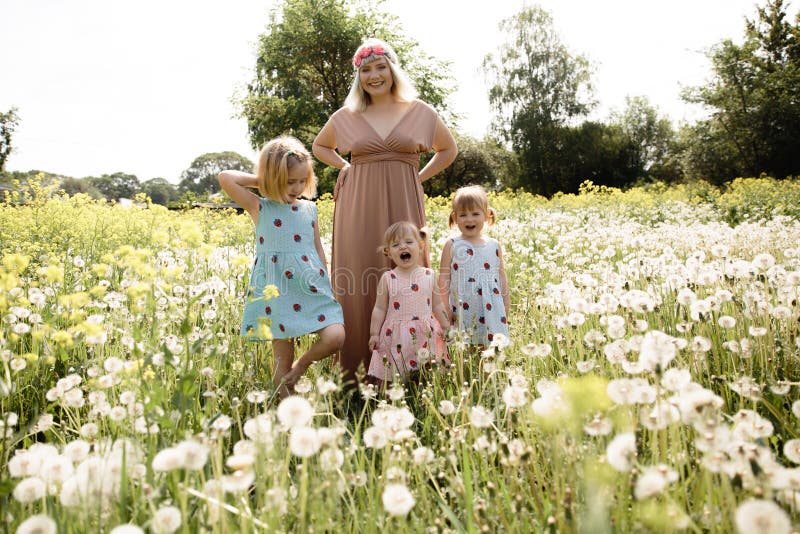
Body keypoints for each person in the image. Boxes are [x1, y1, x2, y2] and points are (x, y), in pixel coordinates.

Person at [313, 38, 457, 382]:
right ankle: (357, 370)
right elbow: (320, 146)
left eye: (380, 68)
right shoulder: (347, 115)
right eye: (366, 70)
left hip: (404, 200)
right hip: (357, 203)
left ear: (392, 70)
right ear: (359, 76)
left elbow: (448, 149)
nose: (374, 76)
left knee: (410, 273)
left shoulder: (420, 110)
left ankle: (413, 366)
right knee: (359, 273)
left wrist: (416, 177)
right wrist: (345, 168)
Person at [218, 136, 345, 396]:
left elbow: (317, 247)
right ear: (274, 179)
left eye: (302, 181)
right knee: (281, 358)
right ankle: (286, 414)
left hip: (311, 285)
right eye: (289, 182)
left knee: (335, 337)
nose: (297, 187)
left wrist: (325, 279)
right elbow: (225, 177)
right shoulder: (260, 207)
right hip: (277, 291)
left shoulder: (309, 209)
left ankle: (302, 365)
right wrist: (265, 181)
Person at [367, 222, 449, 384]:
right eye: (396, 245)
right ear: (388, 252)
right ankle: (395, 399)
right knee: (396, 371)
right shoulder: (388, 278)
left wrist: (446, 325)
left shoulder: (429, 275)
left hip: (425, 332)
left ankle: (424, 398)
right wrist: (374, 333)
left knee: (428, 370)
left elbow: (437, 305)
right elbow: (379, 308)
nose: (403, 247)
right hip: (397, 335)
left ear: (421, 246)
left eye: (409, 242)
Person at [438, 185, 510, 346]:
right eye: (463, 215)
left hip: (491, 307)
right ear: (455, 218)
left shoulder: (494, 245)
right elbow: (443, 278)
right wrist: (445, 309)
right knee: (467, 347)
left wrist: (506, 303)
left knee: (490, 347)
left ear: (486, 215)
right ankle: (471, 371)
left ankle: (486, 372)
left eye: (475, 214)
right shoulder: (452, 245)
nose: (469, 219)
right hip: (463, 308)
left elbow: (501, 276)